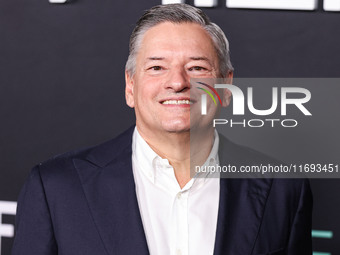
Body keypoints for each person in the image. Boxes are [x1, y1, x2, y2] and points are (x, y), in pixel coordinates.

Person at [12, 3, 312, 255]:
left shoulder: (284, 188)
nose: (178, 82)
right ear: (130, 85)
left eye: (197, 68)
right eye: (157, 67)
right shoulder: (56, 189)